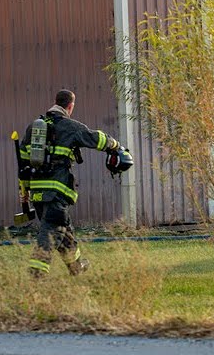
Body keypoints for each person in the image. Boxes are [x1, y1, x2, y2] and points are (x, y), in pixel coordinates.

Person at [18, 89, 131, 278]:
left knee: (64, 230)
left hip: (37, 193)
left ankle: (76, 267)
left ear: (55, 102)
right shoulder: (70, 126)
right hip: (57, 190)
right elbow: (97, 138)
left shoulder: (33, 129)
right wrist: (117, 146)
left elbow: (23, 163)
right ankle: (36, 273)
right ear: (70, 106)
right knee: (52, 230)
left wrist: (25, 190)